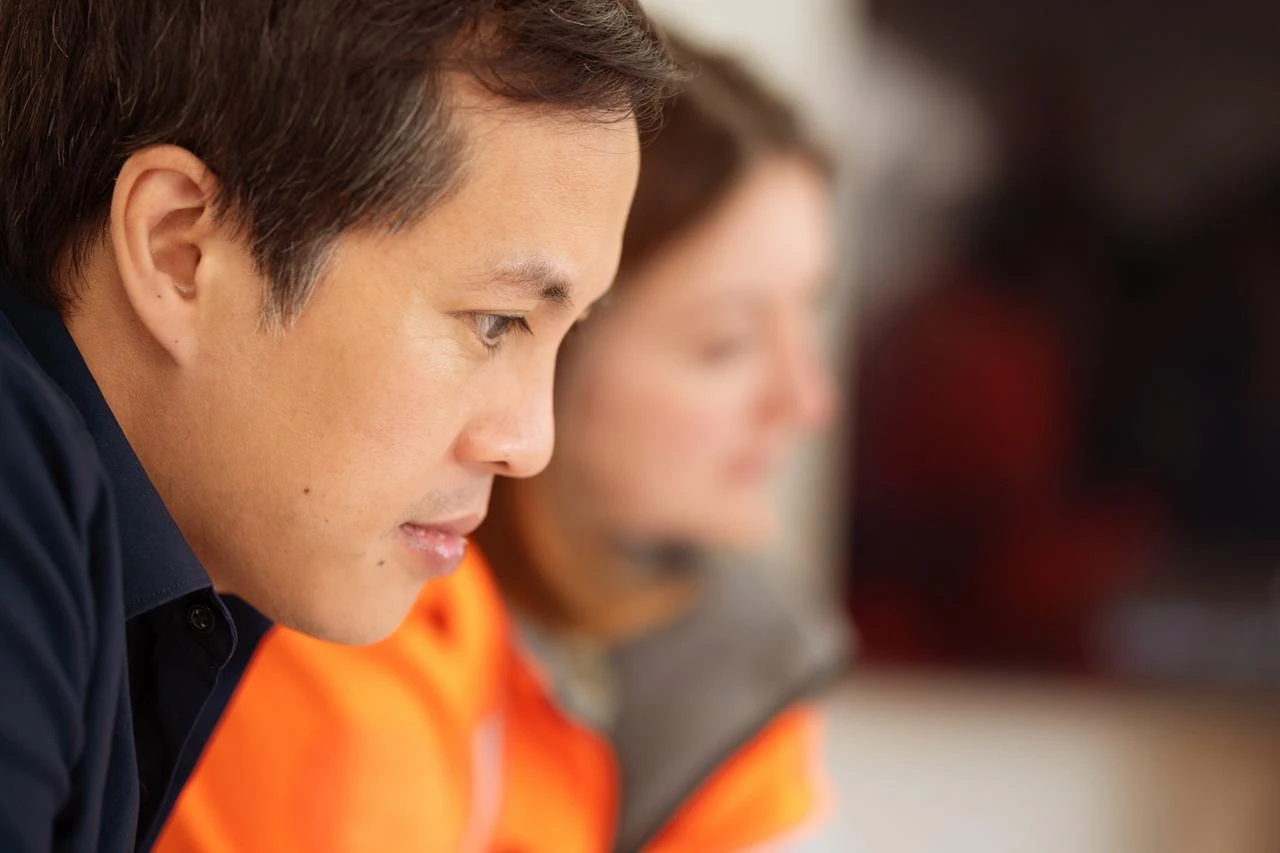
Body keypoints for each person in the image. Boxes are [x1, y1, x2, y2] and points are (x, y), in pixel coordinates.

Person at [0, 2, 679, 849]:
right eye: (496, 322)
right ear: (180, 252)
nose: (528, 442)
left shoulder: (183, 579)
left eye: (561, 336)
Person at [159, 37, 846, 852]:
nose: (808, 402)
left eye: (811, 318)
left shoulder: (727, 645)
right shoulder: (351, 627)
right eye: (723, 344)